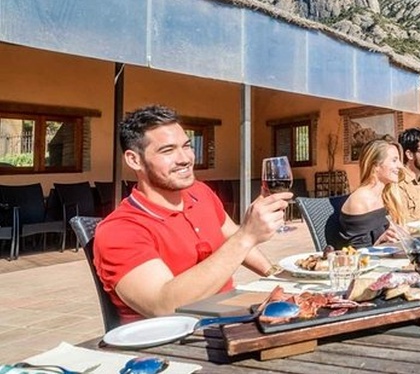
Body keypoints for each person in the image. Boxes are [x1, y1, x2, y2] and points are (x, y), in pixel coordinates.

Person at [93, 105, 290, 324]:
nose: (185, 158)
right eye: (167, 151)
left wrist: (276, 275)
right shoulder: (120, 230)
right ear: (134, 160)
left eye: (187, 146)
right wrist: (247, 235)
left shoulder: (199, 193)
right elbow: (163, 305)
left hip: (231, 317)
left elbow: (233, 236)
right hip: (175, 340)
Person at [335, 137, 408, 248]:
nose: (400, 166)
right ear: (375, 166)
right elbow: (358, 256)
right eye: (394, 160)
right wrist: (380, 241)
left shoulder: (386, 195)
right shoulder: (359, 201)